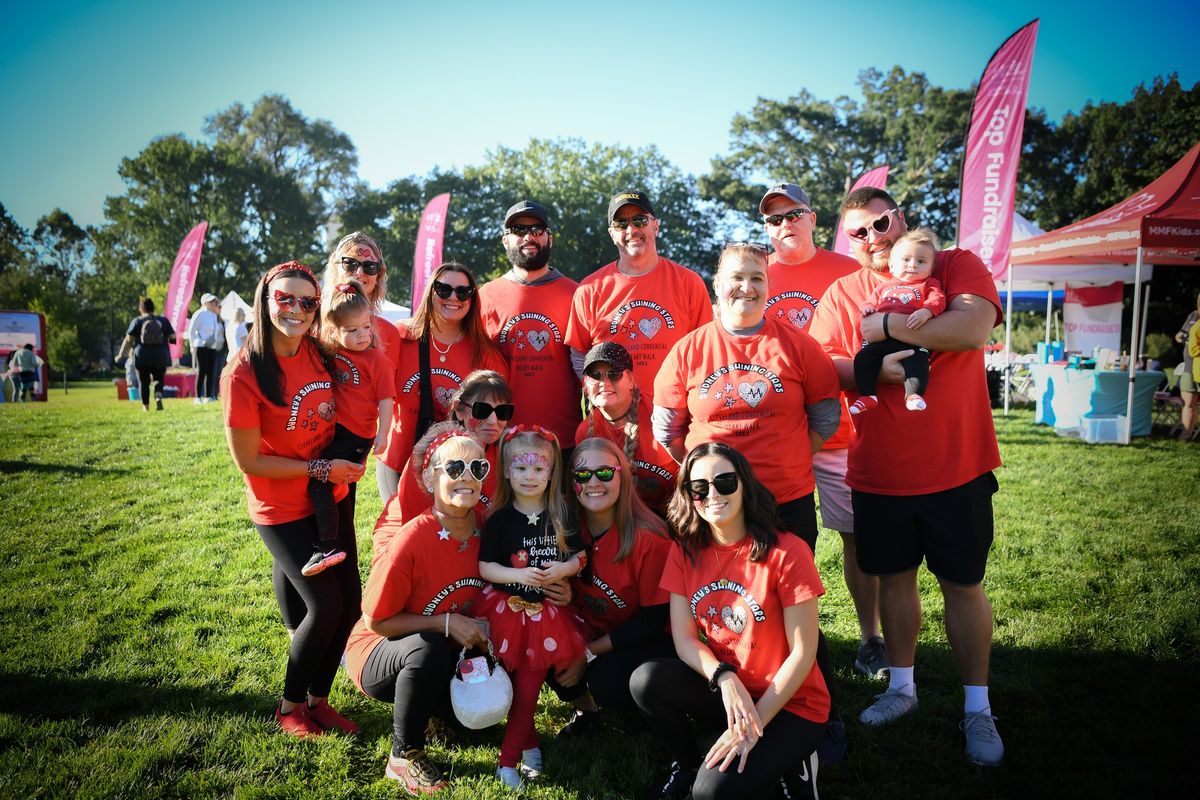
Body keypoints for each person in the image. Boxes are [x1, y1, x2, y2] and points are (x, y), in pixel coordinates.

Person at [808, 187, 1005, 765]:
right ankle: (902, 688)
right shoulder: (843, 291)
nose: (874, 239)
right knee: (893, 580)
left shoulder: (953, 263)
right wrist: (885, 371)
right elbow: (825, 366)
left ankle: (978, 707)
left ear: (902, 217)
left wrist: (890, 324)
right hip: (878, 472)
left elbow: (970, 330)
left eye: (881, 223)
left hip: (957, 463)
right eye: (859, 233)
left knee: (963, 584)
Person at [631, 442, 827, 800]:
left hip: (792, 704)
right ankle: (688, 765)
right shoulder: (685, 549)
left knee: (711, 794)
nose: (713, 495)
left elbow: (803, 653)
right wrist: (724, 677)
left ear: (744, 484)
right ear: (688, 495)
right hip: (733, 692)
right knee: (646, 681)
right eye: (699, 488)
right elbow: (684, 638)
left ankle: (796, 761)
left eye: (724, 482)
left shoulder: (787, 552)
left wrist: (751, 727)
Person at [220, 260, 364, 738]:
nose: (297, 310)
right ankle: (289, 708)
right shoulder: (242, 373)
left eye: (308, 301)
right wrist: (320, 468)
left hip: (331, 496)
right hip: (281, 510)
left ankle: (319, 702)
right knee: (324, 606)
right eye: (286, 298)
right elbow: (249, 462)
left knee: (350, 604)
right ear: (265, 300)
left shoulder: (319, 352)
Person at [760, 182, 885, 679]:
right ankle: (773, 638)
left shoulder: (849, 269)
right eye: (773, 219)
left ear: (813, 218)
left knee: (856, 536)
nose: (784, 224)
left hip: (840, 433)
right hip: (774, 433)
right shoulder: (755, 275)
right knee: (772, 538)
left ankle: (870, 637)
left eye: (793, 214)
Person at [344, 431, 491, 794]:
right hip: (379, 650)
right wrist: (445, 623)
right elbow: (376, 621)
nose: (467, 476)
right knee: (429, 647)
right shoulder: (409, 540)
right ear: (431, 478)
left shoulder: (488, 527)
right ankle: (404, 753)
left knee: (481, 727)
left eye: (478, 467)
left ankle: (435, 713)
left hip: (448, 647)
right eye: (454, 467)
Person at [477, 426, 588, 789]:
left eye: (539, 469)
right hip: (506, 611)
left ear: (552, 472)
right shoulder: (499, 519)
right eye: (521, 469)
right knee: (512, 687)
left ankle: (506, 763)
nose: (530, 477)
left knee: (527, 690)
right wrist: (519, 575)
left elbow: (580, 556)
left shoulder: (561, 514)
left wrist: (565, 568)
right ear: (507, 471)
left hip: (548, 620)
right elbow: (486, 567)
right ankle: (531, 744)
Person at [549, 436, 673, 737]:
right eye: (582, 475)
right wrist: (561, 596)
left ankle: (649, 710)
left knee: (608, 682)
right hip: (593, 628)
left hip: (645, 640)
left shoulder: (649, 538)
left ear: (623, 476)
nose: (594, 482)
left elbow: (653, 621)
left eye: (604, 473)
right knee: (542, 642)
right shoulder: (565, 526)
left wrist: (587, 653)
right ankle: (585, 710)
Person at [377, 261, 508, 501]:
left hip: (461, 469)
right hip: (400, 462)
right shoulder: (401, 338)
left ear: (472, 298)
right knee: (404, 534)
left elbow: (498, 417)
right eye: (444, 289)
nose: (453, 297)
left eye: (463, 292)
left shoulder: (486, 354)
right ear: (431, 292)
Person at [565, 190, 712, 388]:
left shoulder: (689, 282)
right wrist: (600, 393)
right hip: (612, 418)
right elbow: (578, 353)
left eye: (640, 220)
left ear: (656, 226)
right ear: (612, 234)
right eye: (621, 224)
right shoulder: (590, 289)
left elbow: (705, 349)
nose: (631, 230)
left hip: (675, 415)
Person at [303, 280, 395, 577]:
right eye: (352, 330)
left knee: (321, 482)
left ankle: (327, 546)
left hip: (357, 435)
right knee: (331, 487)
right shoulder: (332, 352)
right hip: (336, 430)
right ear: (334, 332)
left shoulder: (376, 359)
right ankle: (328, 544)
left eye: (366, 327)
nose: (362, 335)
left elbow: (386, 400)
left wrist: (383, 435)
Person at [479, 200, 582, 457]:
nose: (528, 237)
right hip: (503, 436)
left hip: (563, 440)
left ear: (550, 238)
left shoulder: (576, 293)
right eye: (518, 230)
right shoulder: (486, 296)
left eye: (537, 230)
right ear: (505, 240)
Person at [321, 231, 405, 502]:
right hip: (307, 434)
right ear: (336, 267)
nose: (360, 271)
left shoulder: (388, 334)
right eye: (350, 263)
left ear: (379, 275)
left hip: (351, 438)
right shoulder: (312, 321)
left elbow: (382, 393)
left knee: (341, 504)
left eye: (370, 266)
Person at [392, 369, 513, 523]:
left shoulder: (508, 455)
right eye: (482, 410)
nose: (493, 420)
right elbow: (416, 519)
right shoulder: (432, 455)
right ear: (459, 410)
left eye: (503, 411)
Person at [849, 227, 947, 415]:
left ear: (931, 269)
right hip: (883, 340)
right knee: (863, 358)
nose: (913, 265)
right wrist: (867, 308)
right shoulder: (884, 287)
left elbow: (938, 299)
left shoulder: (928, 284)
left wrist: (927, 312)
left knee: (918, 362)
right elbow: (871, 301)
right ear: (892, 266)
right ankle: (868, 395)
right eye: (906, 260)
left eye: (921, 261)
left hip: (911, 337)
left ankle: (913, 395)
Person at [576, 341, 677, 514]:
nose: (604, 382)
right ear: (585, 386)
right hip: (617, 518)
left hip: (670, 515)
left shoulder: (662, 415)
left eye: (613, 374)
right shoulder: (585, 433)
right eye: (595, 375)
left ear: (631, 380)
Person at [117, 298, 177, 412]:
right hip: (160, 355)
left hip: (142, 356)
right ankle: (158, 395)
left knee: (143, 382)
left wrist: (120, 354)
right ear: (153, 308)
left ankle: (146, 406)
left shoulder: (137, 321)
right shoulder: (163, 320)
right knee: (159, 378)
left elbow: (129, 339)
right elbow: (173, 336)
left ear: (141, 308)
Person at [188, 292, 225, 403]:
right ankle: (198, 396)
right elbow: (191, 331)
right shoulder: (199, 314)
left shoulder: (214, 315)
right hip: (201, 345)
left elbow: (215, 332)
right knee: (202, 371)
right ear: (205, 302)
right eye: (211, 302)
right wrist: (192, 344)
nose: (214, 303)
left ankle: (208, 396)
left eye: (215, 302)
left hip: (212, 347)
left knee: (211, 371)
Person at [1174, 293, 1199, 441]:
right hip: (1189, 367)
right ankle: (1186, 435)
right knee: (1189, 402)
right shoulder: (1194, 315)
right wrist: (1182, 337)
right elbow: (1180, 334)